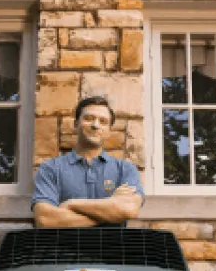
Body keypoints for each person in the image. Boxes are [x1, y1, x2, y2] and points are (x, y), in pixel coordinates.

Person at [31, 96, 144, 228]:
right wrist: (111, 207)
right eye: (89, 118)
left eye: (103, 121)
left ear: (109, 131)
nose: (95, 125)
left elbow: (129, 209)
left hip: (113, 248)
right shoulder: (50, 169)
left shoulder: (125, 169)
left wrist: (72, 204)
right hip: (64, 248)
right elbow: (46, 220)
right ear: (75, 124)